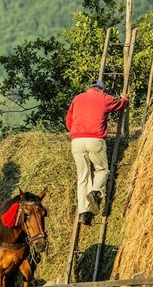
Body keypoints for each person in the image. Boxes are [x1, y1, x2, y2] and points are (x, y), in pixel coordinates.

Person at [65, 79, 129, 226]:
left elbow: (69, 121)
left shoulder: (78, 98)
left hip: (76, 141)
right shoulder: (104, 97)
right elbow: (119, 105)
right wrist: (125, 99)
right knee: (102, 170)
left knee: (83, 176)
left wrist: (76, 130)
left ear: (90, 88)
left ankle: (83, 213)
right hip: (94, 139)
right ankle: (95, 192)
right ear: (101, 89)